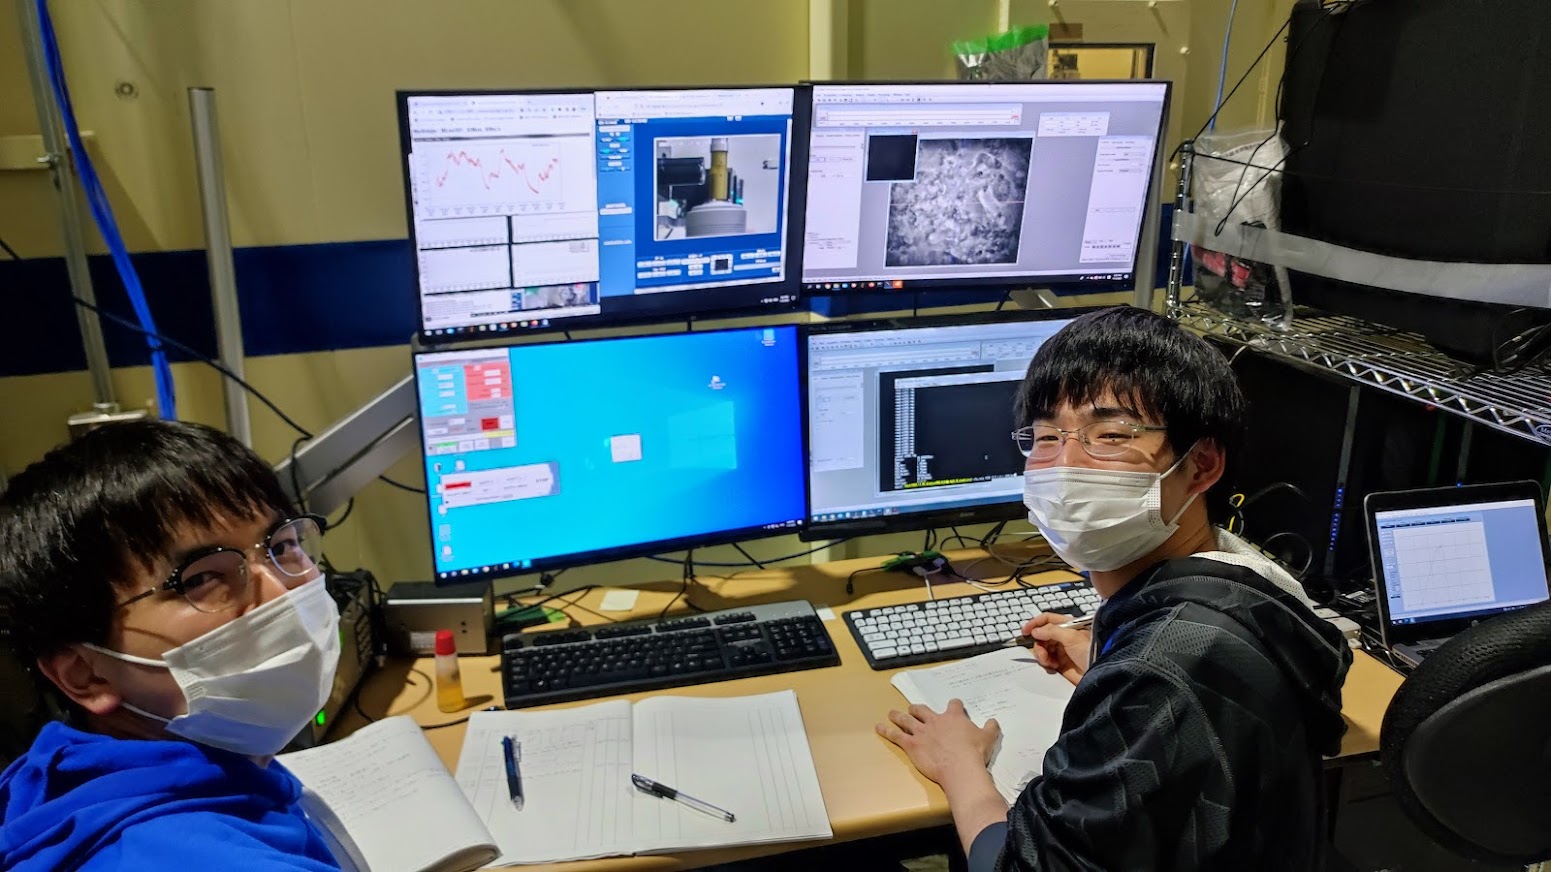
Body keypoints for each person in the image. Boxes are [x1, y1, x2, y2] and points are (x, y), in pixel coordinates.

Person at [877, 306, 1353, 871]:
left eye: (1110, 435)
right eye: (1046, 437)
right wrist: (1110, 655)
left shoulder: (1161, 667)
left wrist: (960, 765)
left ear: (1201, 465)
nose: (1065, 467)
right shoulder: (1246, 583)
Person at [0, 420, 344, 871]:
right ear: (85, 675)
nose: (280, 595)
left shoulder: (68, 770)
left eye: (281, 546)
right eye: (201, 578)